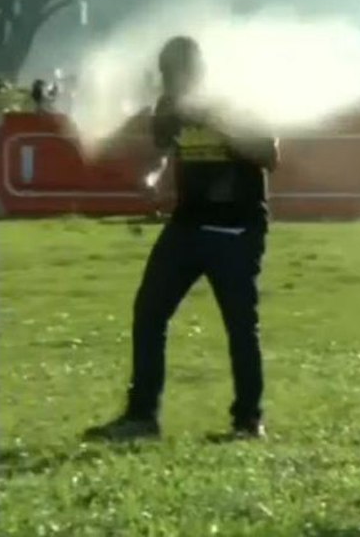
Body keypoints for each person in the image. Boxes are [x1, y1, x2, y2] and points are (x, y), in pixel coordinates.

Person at [84, 36, 280, 441]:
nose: (170, 81)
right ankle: (142, 417)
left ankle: (248, 421)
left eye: (176, 73)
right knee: (149, 313)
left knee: (241, 326)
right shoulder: (168, 106)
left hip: (236, 230)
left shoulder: (235, 100)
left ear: (197, 70)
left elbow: (269, 154)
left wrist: (218, 122)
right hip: (187, 225)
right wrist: (152, 178)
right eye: (165, 74)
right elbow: (163, 151)